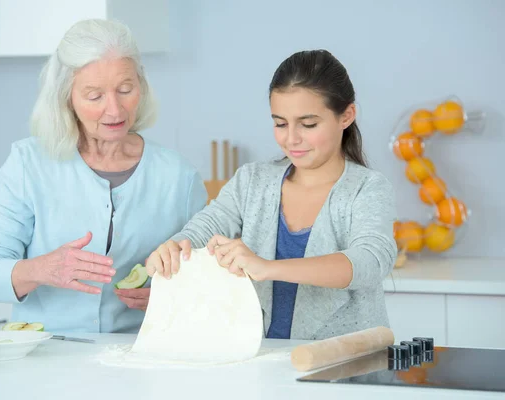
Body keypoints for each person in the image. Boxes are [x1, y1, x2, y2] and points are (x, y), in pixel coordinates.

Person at [0, 19, 207, 333]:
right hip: (46, 358)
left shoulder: (178, 177)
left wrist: (172, 296)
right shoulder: (28, 164)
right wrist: (41, 269)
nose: (115, 110)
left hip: (139, 360)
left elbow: (209, 281)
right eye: (95, 96)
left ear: (142, 86)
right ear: (67, 98)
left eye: (126, 90)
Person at [146, 49, 397, 340]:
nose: (291, 138)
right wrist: (174, 248)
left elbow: (369, 261)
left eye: (308, 124)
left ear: (346, 116)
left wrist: (267, 268)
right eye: (280, 123)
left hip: (346, 366)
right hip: (263, 366)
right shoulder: (252, 181)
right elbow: (205, 228)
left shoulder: (367, 188)